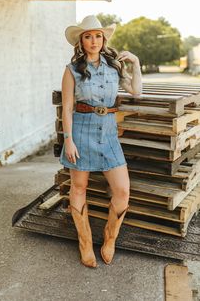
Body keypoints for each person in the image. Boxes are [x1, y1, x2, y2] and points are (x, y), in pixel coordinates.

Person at [59, 15, 142, 268]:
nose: (93, 41)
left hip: (108, 133)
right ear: (81, 42)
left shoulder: (115, 67)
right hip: (81, 132)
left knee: (122, 190)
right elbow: (67, 108)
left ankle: (109, 238)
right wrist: (68, 140)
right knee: (79, 187)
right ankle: (85, 243)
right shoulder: (72, 70)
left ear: (103, 39)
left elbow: (136, 91)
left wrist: (136, 64)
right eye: (87, 36)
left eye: (97, 35)